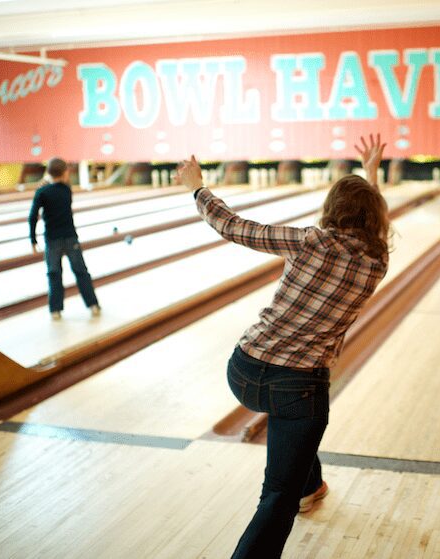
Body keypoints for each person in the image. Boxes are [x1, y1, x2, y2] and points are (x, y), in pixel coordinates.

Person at [178, 134, 390, 558]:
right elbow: (374, 230)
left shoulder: (307, 240)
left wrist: (197, 187)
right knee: (278, 495)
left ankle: (310, 486)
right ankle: (297, 490)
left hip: (243, 372)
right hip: (298, 390)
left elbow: (232, 226)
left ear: (331, 209)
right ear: (373, 217)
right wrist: (372, 178)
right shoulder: (377, 262)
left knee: (295, 425)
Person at [28, 157, 101, 320]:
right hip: (70, 238)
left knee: (54, 274)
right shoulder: (67, 190)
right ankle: (93, 305)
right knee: (81, 272)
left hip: (52, 240)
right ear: (65, 172)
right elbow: (60, 183)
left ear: (48, 173)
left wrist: (33, 240)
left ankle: (55, 310)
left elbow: (33, 216)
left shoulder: (42, 192)